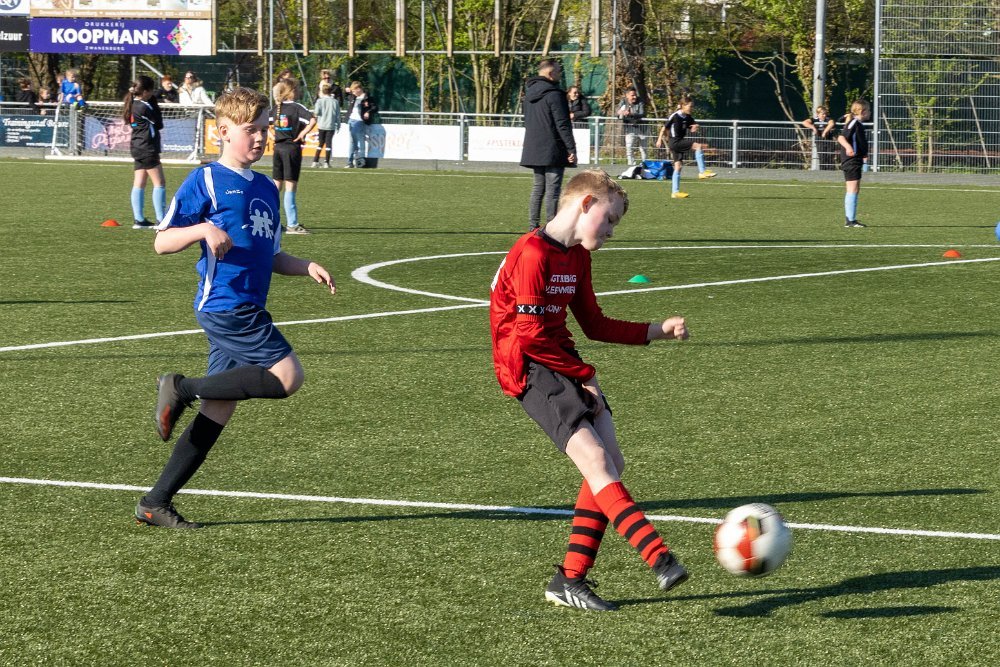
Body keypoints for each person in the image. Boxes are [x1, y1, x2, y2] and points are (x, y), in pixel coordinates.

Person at [489, 169, 691, 612]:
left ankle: (569, 579)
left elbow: (594, 324)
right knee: (598, 461)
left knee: (610, 462)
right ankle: (659, 558)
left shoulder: (577, 256)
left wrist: (657, 330)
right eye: (610, 219)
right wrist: (585, 374)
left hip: (561, 359)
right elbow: (528, 336)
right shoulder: (532, 253)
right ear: (585, 204)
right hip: (527, 367)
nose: (612, 231)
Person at [139, 86, 336, 529]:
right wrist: (202, 229)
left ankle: (155, 502)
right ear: (223, 131)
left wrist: (305, 266)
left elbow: (271, 256)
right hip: (226, 305)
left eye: (264, 129)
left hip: (246, 304)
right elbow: (161, 242)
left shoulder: (265, 187)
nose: (260, 137)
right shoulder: (206, 179)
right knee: (288, 377)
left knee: (219, 406)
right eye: (251, 130)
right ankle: (180, 387)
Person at [520, 59, 577, 231]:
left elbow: (527, 120)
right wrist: (571, 148)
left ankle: (533, 226)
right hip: (553, 148)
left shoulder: (529, 94)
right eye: (558, 71)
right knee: (553, 189)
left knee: (538, 188)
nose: (560, 74)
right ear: (551, 73)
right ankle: (552, 227)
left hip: (534, 147)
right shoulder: (555, 94)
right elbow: (562, 124)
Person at [270, 78, 316, 234]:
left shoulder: (277, 107)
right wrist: (302, 134)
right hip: (291, 149)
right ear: (292, 91)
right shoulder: (297, 107)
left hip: (278, 148)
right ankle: (292, 224)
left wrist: (271, 135)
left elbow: (266, 123)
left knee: (276, 186)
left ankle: (272, 221)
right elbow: (312, 120)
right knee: (290, 186)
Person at [123, 76, 166, 229]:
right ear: (146, 92)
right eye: (152, 91)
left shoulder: (133, 104)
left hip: (137, 147)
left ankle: (139, 219)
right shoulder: (144, 107)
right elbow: (159, 124)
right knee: (159, 183)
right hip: (147, 148)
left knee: (139, 182)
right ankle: (161, 219)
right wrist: (155, 103)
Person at [655, 95, 715, 199]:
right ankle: (702, 172)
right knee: (698, 146)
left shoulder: (688, 117)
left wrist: (695, 126)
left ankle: (675, 192)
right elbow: (664, 127)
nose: (691, 108)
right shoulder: (675, 116)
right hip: (675, 141)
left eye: (692, 106)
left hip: (678, 142)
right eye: (690, 106)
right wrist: (659, 139)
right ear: (683, 105)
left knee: (678, 167)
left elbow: (693, 125)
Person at [837, 99, 870, 228]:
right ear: (863, 111)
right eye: (868, 110)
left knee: (854, 189)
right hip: (851, 160)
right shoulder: (854, 123)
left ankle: (851, 219)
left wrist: (864, 154)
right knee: (852, 189)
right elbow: (841, 137)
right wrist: (849, 147)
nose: (870, 113)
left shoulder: (858, 124)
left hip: (856, 160)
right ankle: (850, 221)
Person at [345, 81, 377, 168]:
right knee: (352, 142)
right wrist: (346, 89)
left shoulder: (367, 98)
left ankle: (360, 160)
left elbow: (375, 107)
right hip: (351, 120)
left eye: (354, 91)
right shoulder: (353, 97)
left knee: (360, 141)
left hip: (360, 121)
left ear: (359, 89)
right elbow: (345, 95)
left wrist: (368, 112)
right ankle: (350, 161)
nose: (353, 93)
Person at [311, 82, 341, 168]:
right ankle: (326, 162)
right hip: (330, 125)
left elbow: (316, 112)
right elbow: (338, 115)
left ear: (322, 91)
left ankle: (315, 161)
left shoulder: (319, 101)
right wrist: (338, 125)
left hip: (321, 125)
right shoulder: (335, 102)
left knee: (320, 143)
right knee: (328, 144)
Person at [616, 87, 646, 166]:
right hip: (629, 127)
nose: (635, 97)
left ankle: (645, 164)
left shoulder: (640, 101)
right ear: (627, 95)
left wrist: (631, 114)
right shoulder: (623, 101)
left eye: (635, 95)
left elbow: (642, 113)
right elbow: (617, 112)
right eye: (632, 95)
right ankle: (631, 164)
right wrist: (621, 112)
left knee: (643, 148)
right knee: (629, 147)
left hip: (642, 127)